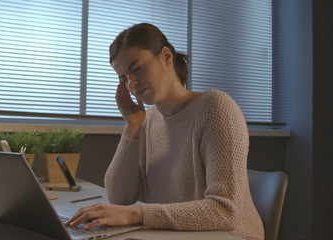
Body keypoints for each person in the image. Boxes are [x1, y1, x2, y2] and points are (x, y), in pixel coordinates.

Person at [65, 23, 264, 240]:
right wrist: (132, 126)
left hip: (230, 236)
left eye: (137, 68)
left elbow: (224, 212)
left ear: (166, 56)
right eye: (123, 77)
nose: (131, 83)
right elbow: (119, 197)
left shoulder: (216, 107)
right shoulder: (148, 119)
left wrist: (138, 214)